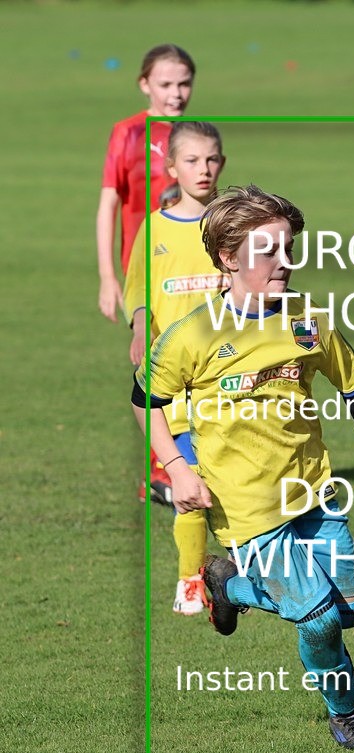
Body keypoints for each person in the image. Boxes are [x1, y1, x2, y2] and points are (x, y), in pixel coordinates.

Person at [131, 184, 354, 750]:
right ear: (227, 258)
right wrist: (175, 467)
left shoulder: (308, 320)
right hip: (247, 509)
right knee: (317, 619)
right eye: (267, 250)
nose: (283, 262)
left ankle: (231, 588)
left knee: (350, 608)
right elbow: (148, 403)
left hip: (312, 491)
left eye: (290, 248)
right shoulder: (191, 335)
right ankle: (350, 713)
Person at [123, 121, 226, 615]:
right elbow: (140, 288)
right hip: (175, 386)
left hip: (227, 381)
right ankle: (190, 578)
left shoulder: (230, 224)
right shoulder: (156, 227)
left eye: (210, 160)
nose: (202, 170)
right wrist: (141, 327)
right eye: (191, 161)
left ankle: (237, 572)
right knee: (188, 481)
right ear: (172, 168)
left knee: (234, 484)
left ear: (222, 164)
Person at [98, 43, 196, 504]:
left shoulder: (196, 138)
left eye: (183, 83)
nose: (176, 94)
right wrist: (107, 276)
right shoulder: (128, 133)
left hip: (189, 267)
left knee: (192, 362)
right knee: (152, 364)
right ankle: (161, 471)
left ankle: (182, 464)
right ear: (144, 85)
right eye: (165, 84)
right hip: (144, 270)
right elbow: (109, 203)